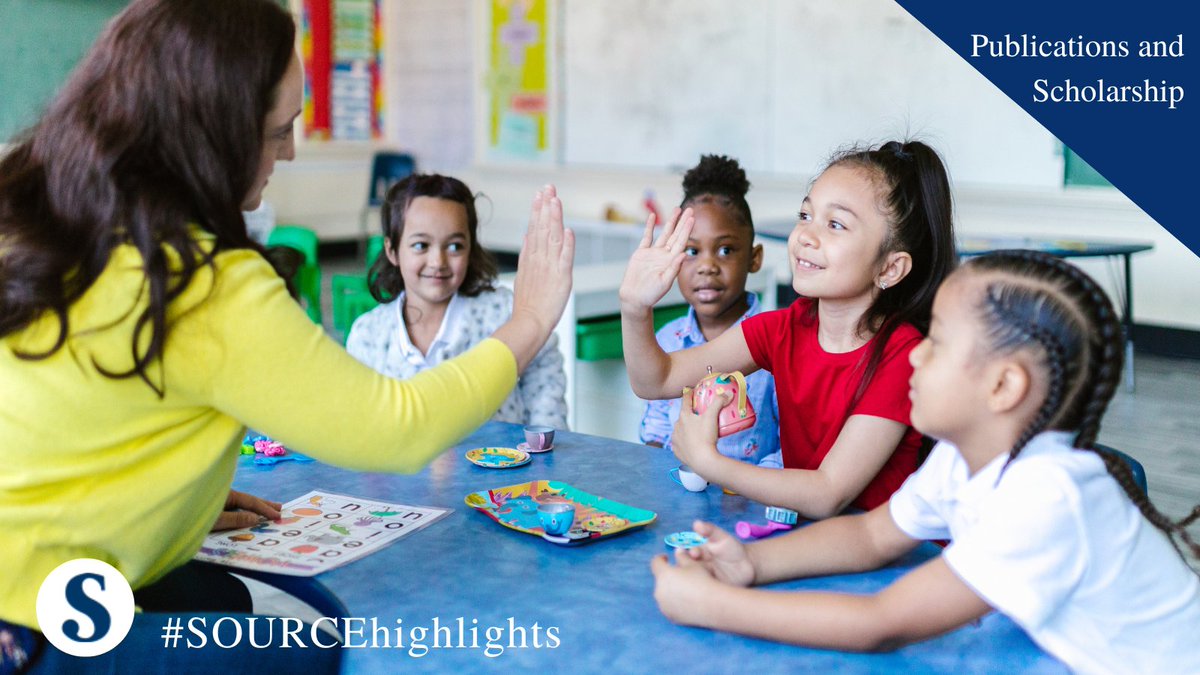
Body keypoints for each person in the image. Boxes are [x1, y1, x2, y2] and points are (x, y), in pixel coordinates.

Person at [0, 0, 574, 671]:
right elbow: (399, 427)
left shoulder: (49, 214)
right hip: (24, 624)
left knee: (219, 599)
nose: (291, 151)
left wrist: (169, 501)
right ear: (212, 135)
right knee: (310, 650)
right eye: (278, 132)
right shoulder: (198, 279)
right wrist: (530, 319)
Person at [650, 251, 1200, 674]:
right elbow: (870, 536)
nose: (915, 351)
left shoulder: (1047, 495)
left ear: (1003, 386)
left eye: (937, 342)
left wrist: (712, 606)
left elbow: (881, 623)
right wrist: (751, 563)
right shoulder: (962, 460)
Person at [621, 141, 957, 518]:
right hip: (804, 536)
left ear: (890, 268)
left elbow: (828, 492)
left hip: (874, 548)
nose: (805, 236)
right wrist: (634, 308)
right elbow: (657, 379)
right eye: (805, 215)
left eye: (835, 224)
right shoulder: (783, 329)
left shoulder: (903, 355)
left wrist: (708, 462)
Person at [347, 173, 568, 429]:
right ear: (392, 250)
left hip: (503, 456)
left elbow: (544, 378)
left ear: (471, 248)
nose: (437, 262)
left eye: (454, 247)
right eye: (420, 245)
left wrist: (543, 444)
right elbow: (360, 422)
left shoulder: (506, 312)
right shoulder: (368, 334)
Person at [637, 155, 779, 467]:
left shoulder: (778, 345)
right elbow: (656, 430)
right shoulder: (667, 339)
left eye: (725, 250)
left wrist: (747, 486)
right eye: (691, 251)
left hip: (750, 493)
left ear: (754, 258)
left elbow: (789, 450)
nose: (707, 266)